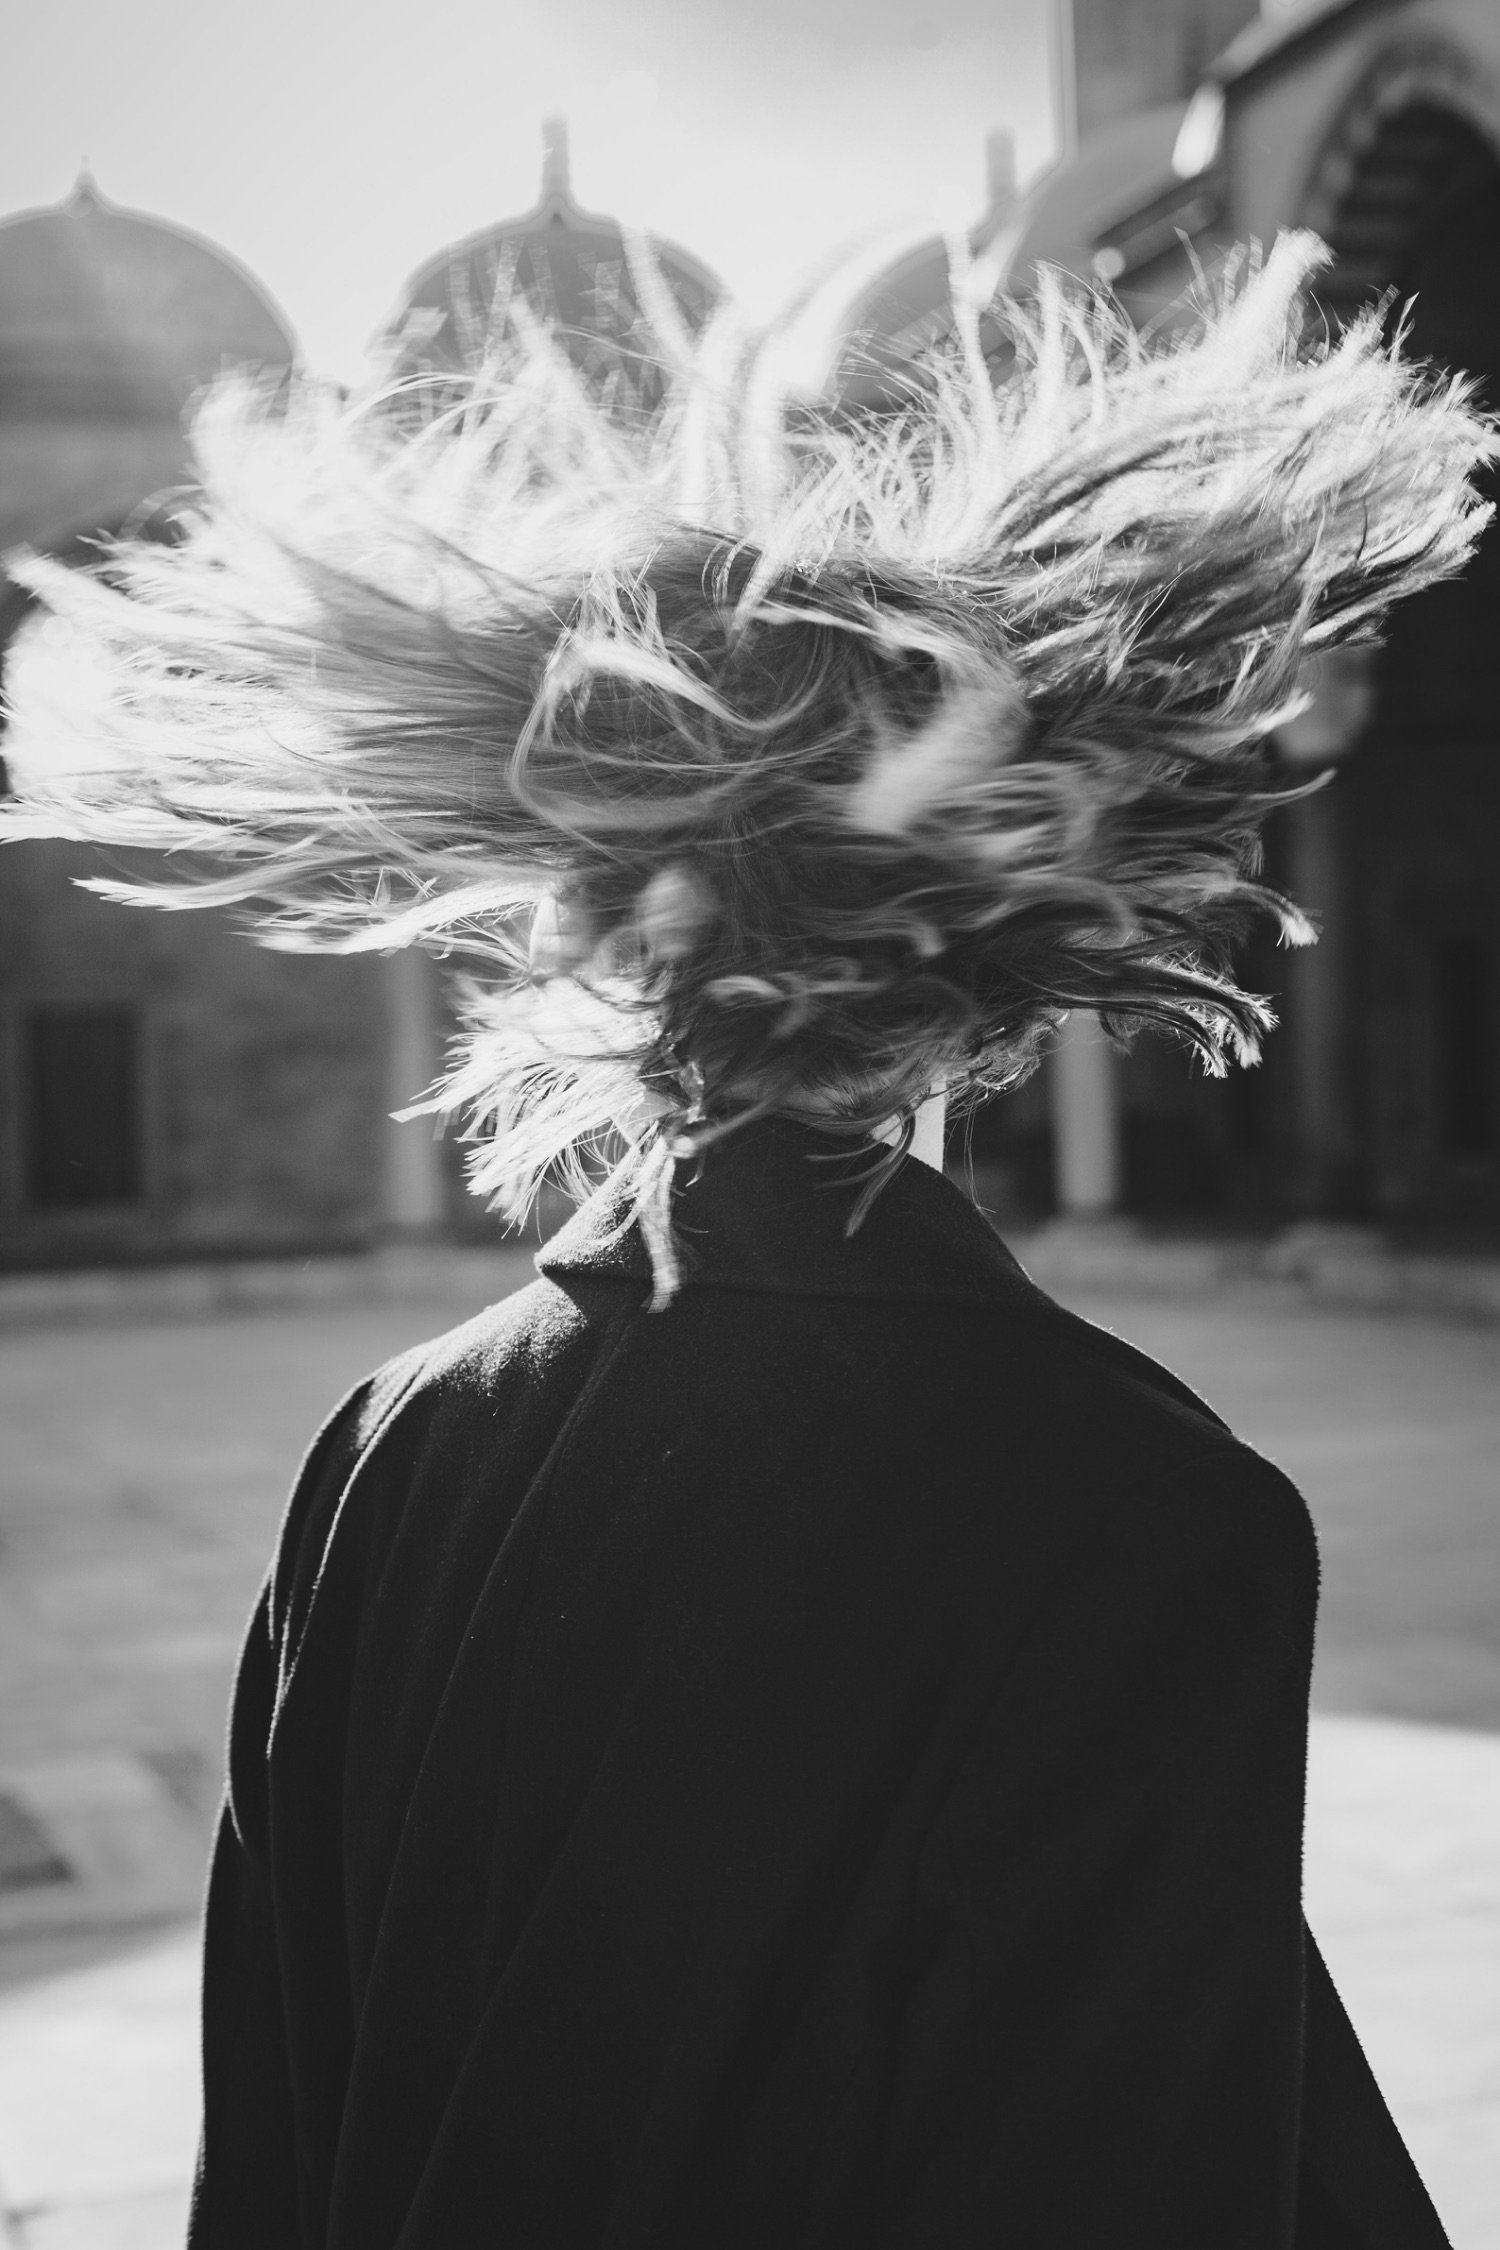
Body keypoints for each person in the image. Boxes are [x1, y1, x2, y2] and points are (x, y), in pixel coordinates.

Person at [2, 234, 1490, 2248]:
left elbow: (271, 2131)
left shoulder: (393, 1451)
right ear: (1011, 961)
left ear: (591, 922)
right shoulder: (1138, 1507)